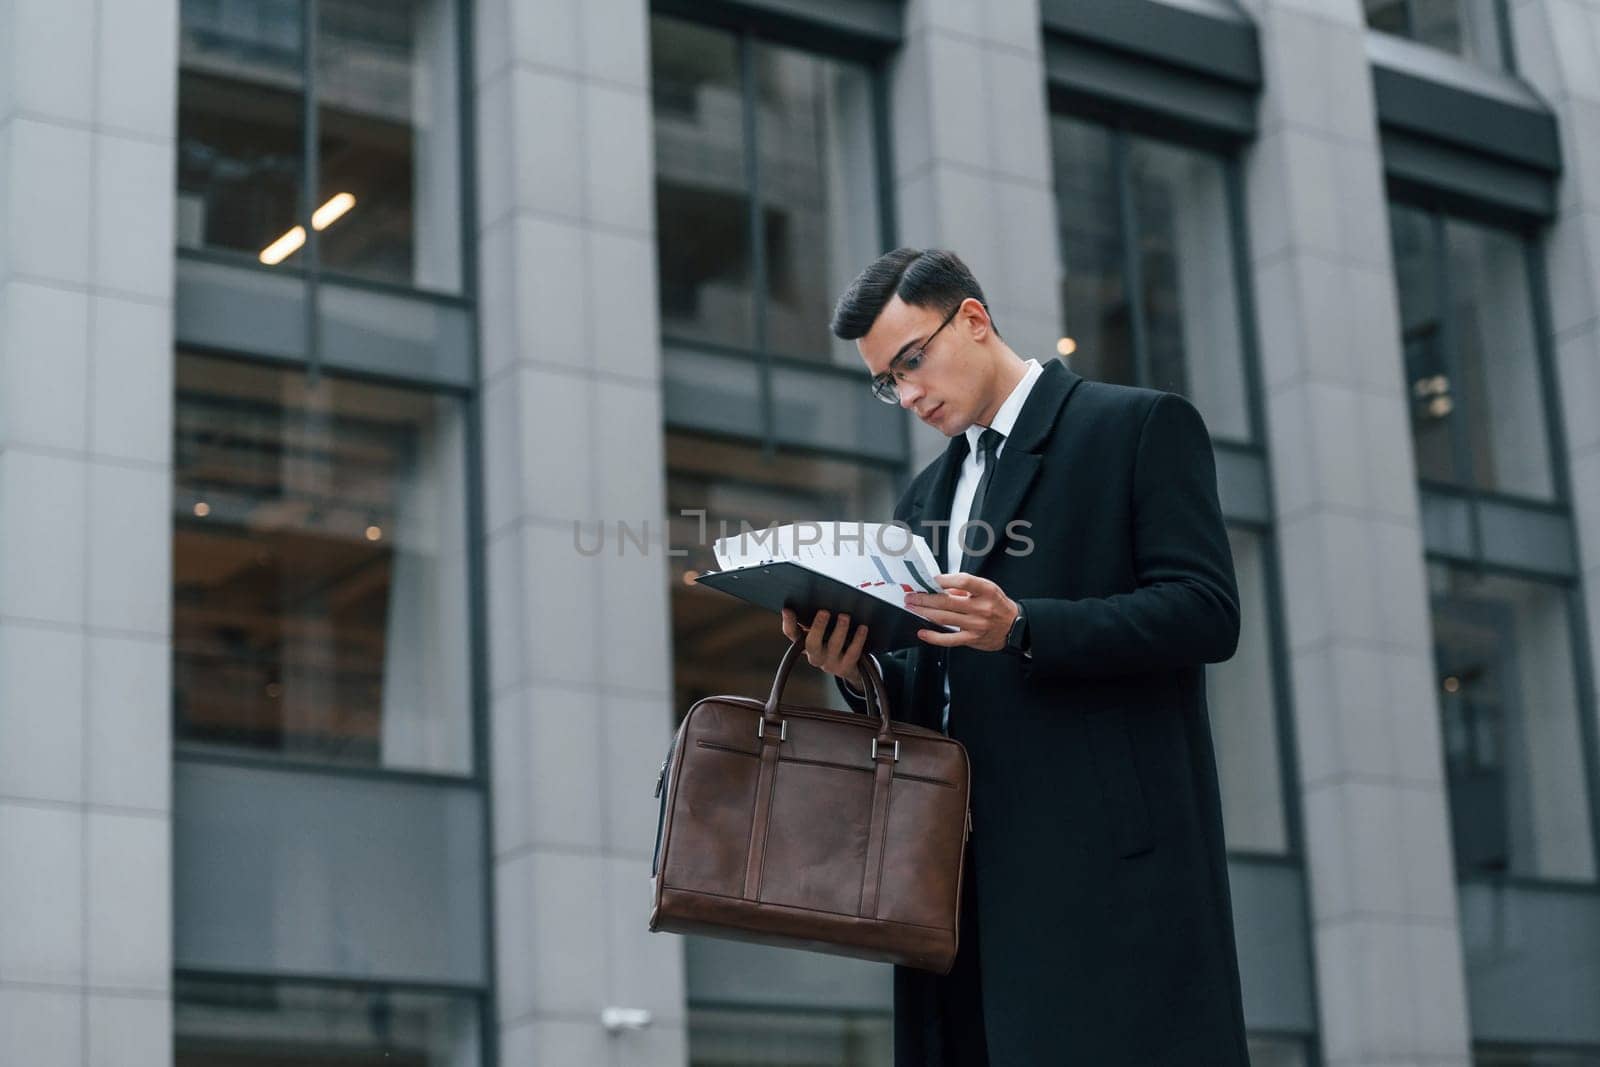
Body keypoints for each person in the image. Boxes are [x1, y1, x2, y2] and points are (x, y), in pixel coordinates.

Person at [779, 248, 1250, 1066]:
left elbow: (1207, 612)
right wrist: (857, 670)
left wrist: (1026, 624)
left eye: (912, 360)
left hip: (1103, 876)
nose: (909, 394)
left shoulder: (1136, 426)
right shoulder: (923, 497)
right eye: (887, 382)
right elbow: (935, 675)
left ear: (972, 318)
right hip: (952, 885)